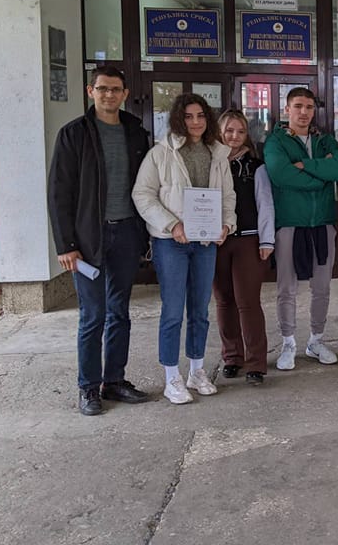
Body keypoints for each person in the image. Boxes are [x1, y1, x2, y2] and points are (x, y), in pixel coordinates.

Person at [48, 66, 151, 416]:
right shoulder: (73, 134)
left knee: (119, 312)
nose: (109, 95)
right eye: (103, 88)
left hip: (126, 233)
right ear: (90, 91)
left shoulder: (136, 132)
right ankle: (88, 387)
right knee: (93, 315)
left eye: (115, 89)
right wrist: (65, 244)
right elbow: (59, 192)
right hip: (87, 237)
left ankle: (115, 381)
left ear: (125, 94)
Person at [132, 94, 236, 404]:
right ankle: (171, 377)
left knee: (200, 310)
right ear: (179, 119)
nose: (195, 122)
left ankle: (196, 370)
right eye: (189, 116)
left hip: (205, 243)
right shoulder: (160, 153)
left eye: (201, 115)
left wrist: (226, 225)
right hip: (171, 243)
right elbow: (143, 195)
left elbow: (227, 196)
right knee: (173, 311)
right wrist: (172, 225)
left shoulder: (217, 153)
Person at [263, 87, 338, 371]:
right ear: (287, 109)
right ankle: (288, 343)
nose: (304, 112)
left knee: (321, 287)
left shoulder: (325, 141)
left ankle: (316, 340)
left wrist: (305, 165)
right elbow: (281, 175)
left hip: (322, 223)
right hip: (290, 224)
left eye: (309, 107)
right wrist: (320, 177)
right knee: (286, 288)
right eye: (298, 106)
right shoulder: (275, 142)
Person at [212, 110, 274, 386]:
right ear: (219, 132)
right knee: (224, 300)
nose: (234, 136)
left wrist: (267, 240)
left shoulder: (255, 167)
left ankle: (256, 362)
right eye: (229, 130)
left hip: (248, 240)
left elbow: (265, 204)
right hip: (216, 241)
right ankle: (232, 357)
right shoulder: (210, 162)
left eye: (240, 131)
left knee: (247, 302)